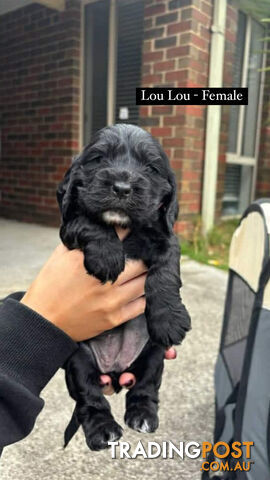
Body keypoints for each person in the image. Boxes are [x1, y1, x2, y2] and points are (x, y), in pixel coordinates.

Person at [0, 237, 176, 454]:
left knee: (158, 339)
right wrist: (43, 323)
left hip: (135, 333)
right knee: (82, 361)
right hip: (90, 346)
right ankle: (95, 415)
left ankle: (142, 400)